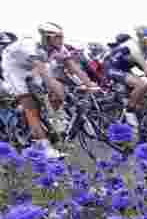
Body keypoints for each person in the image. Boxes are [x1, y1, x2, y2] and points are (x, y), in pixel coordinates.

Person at [1, 22, 100, 158]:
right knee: (30, 104)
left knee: (52, 92)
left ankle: (52, 121)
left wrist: (90, 85)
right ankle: (44, 147)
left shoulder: (59, 48)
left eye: (62, 36)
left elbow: (74, 67)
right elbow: (46, 77)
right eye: (57, 37)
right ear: (46, 38)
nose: (61, 40)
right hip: (14, 68)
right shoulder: (32, 47)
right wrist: (64, 96)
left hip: (31, 67)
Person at [103, 25, 147, 127]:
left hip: (124, 68)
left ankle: (138, 118)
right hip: (112, 67)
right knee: (141, 85)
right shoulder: (134, 47)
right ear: (141, 39)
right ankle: (129, 111)